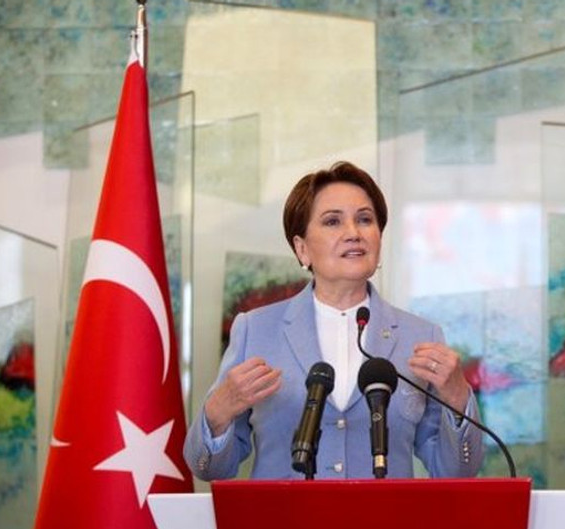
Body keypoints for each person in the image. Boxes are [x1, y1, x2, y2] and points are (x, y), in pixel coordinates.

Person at [184, 161, 484, 480]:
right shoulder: (255, 330)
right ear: (302, 249)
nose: (353, 233)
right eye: (332, 221)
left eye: (365, 219)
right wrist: (217, 413)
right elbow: (209, 469)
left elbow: (456, 471)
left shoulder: (421, 336)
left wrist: (458, 398)